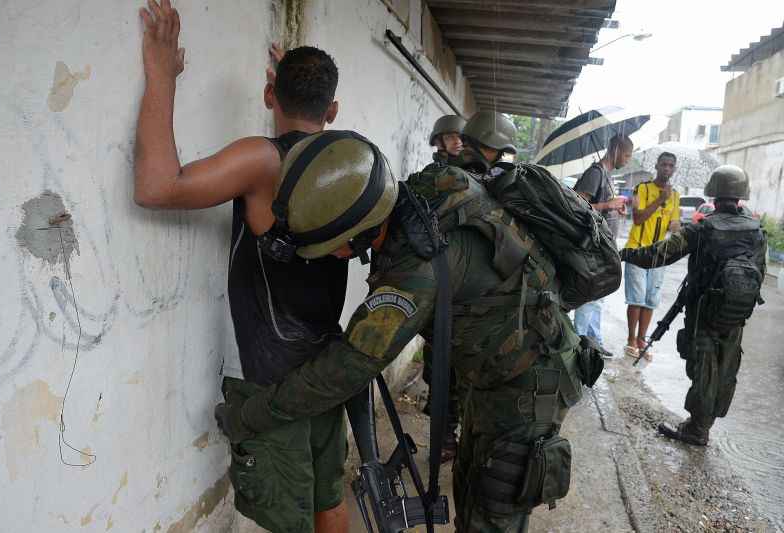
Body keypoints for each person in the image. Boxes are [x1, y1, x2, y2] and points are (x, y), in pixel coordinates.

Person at [219, 117, 594, 532]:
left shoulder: (416, 269)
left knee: (493, 514)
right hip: (501, 374)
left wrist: (248, 415)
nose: (336, 257)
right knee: (471, 489)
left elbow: (348, 368)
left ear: (363, 230)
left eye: (336, 246)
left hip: (530, 383)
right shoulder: (417, 193)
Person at [134, 2, 349, 531]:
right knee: (328, 500)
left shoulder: (264, 160)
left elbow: (157, 187)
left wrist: (161, 75)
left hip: (269, 381)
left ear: (268, 95)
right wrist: (294, 84)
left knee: (284, 519)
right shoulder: (349, 160)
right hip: (328, 367)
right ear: (334, 109)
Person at [621, 165, 766, 445]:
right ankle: (704, 424)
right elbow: (758, 271)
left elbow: (658, 255)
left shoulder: (704, 228)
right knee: (724, 368)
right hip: (737, 312)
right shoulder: (756, 230)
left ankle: (697, 430)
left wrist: (625, 253)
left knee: (703, 368)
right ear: (741, 196)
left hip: (704, 311)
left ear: (713, 193)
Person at [420, 114, 467, 462]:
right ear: (439, 142)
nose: (456, 142)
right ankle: (445, 436)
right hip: (443, 281)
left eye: (460, 136)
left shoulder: (480, 174)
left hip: (473, 286)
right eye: (449, 137)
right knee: (440, 369)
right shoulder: (432, 179)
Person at [572, 135, 633, 346]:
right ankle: (579, 342)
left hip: (603, 246)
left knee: (598, 297)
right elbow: (576, 204)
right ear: (615, 151)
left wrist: (615, 207)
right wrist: (608, 206)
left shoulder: (606, 175)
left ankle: (593, 341)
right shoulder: (595, 173)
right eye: (626, 155)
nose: (627, 160)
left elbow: (601, 206)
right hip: (592, 247)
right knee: (591, 296)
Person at [623, 152, 681, 360]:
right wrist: (659, 200)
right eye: (663, 164)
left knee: (650, 300)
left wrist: (676, 226)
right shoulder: (642, 188)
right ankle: (631, 339)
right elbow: (637, 218)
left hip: (659, 255)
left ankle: (641, 339)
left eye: (670, 165)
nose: (666, 168)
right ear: (656, 166)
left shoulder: (675, 195)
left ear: (674, 169)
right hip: (638, 251)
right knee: (636, 299)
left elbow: (675, 223)